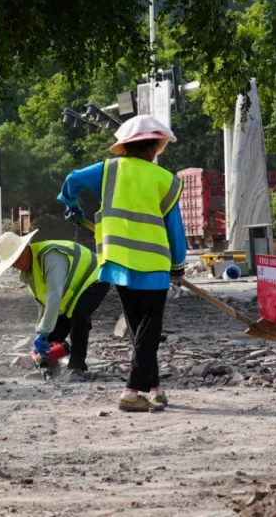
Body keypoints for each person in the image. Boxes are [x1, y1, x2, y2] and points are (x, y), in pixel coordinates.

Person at [58, 115, 187, 412]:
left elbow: (72, 181)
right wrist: (178, 266)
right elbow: (175, 231)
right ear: (154, 146)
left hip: (118, 263)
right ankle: (130, 392)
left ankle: (154, 389)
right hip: (153, 266)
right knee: (149, 331)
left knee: (139, 330)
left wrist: (74, 207)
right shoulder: (165, 180)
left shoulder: (106, 170)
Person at [0, 230, 109, 382]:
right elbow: (43, 306)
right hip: (72, 294)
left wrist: (43, 331)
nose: (18, 265)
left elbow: (54, 296)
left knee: (79, 319)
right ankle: (50, 369)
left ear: (26, 247)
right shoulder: (29, 274)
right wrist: (41, 334)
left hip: (95, 279)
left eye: (18, 258)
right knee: (51, 337)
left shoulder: (50, 256)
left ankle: (77, 368)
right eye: (13, 263)